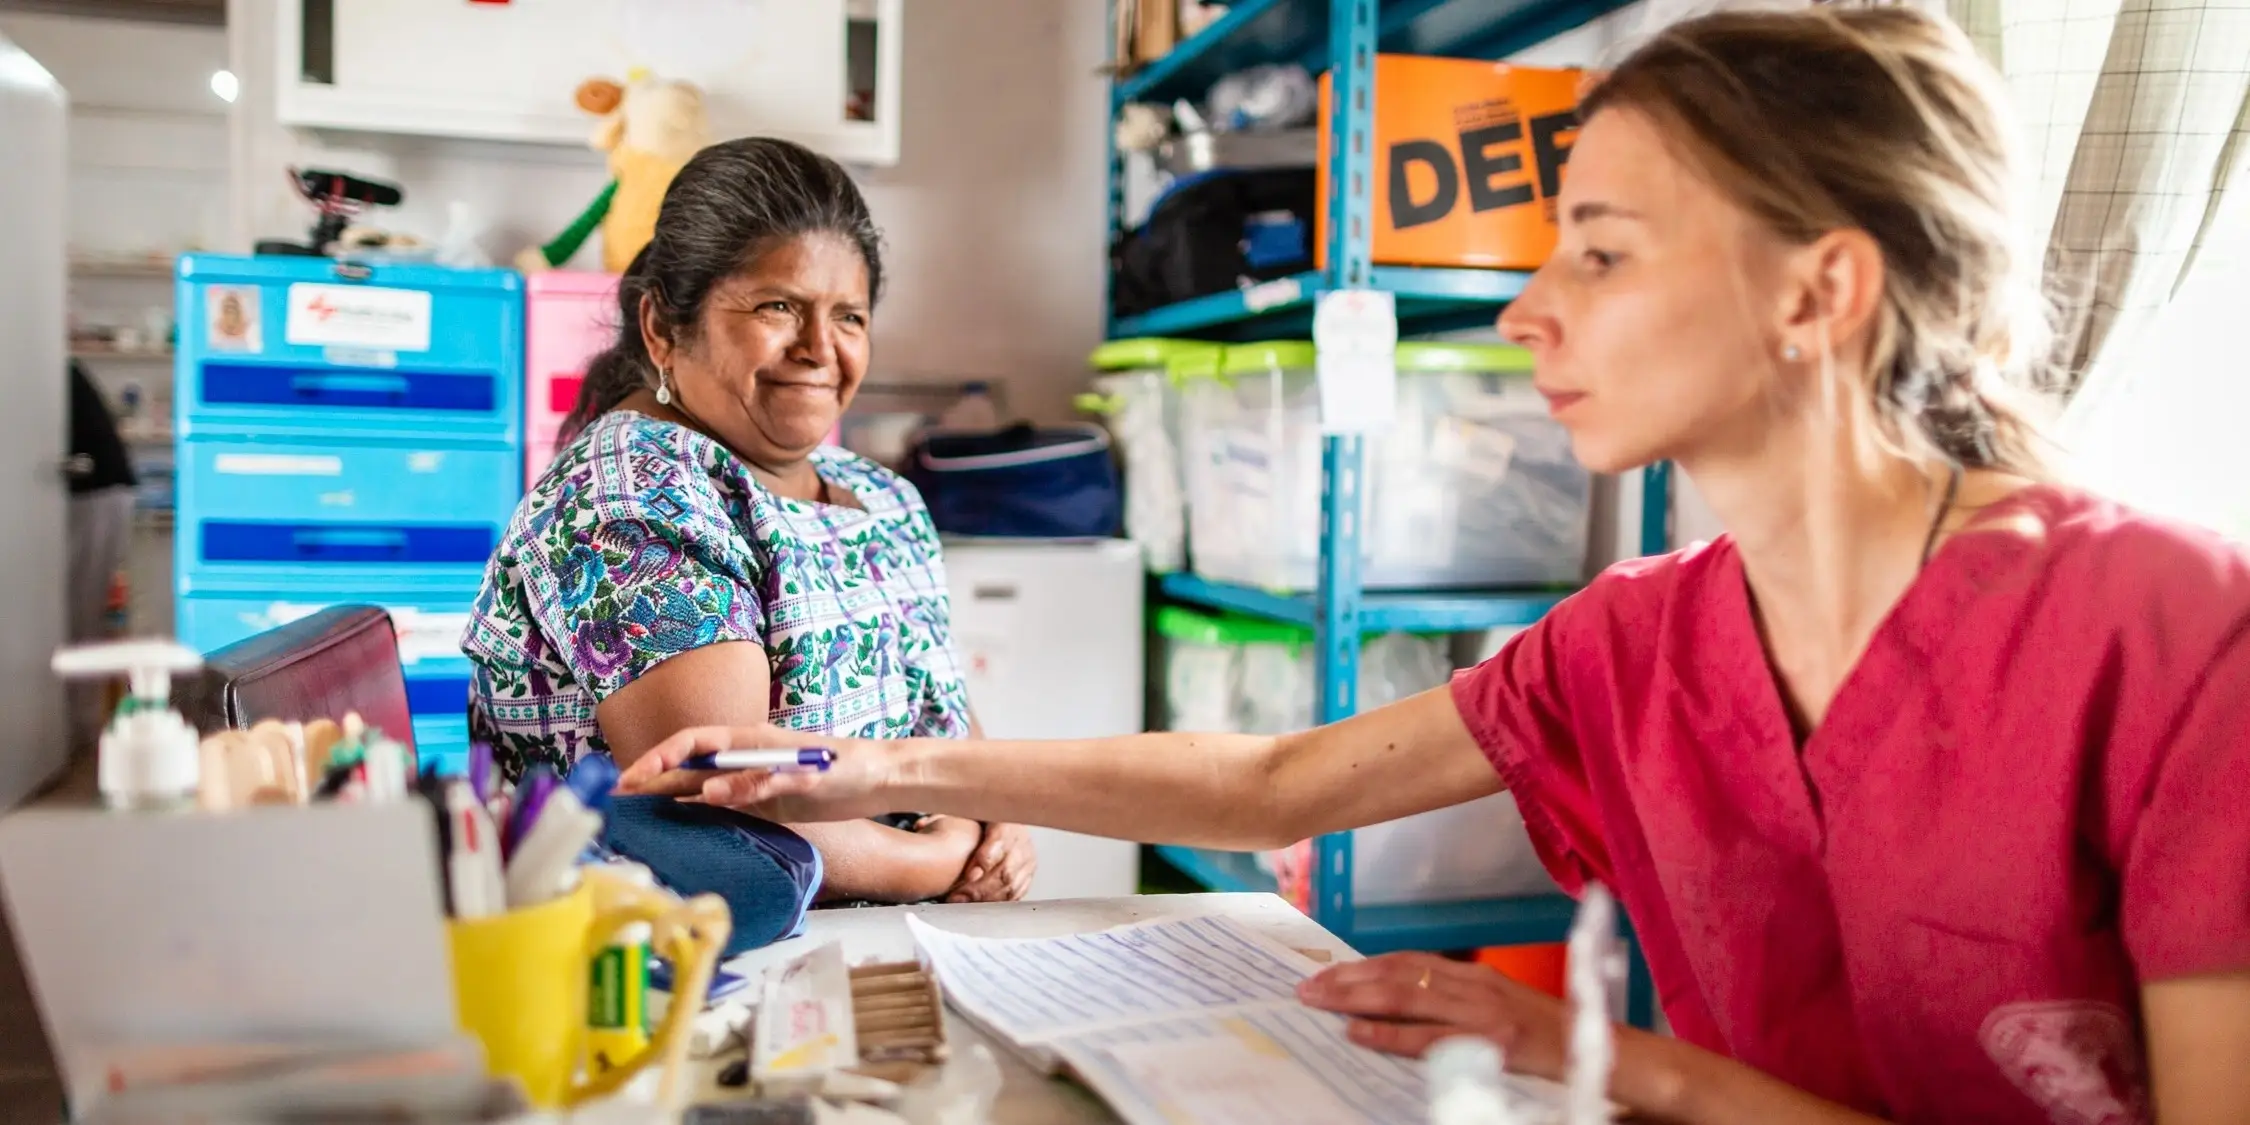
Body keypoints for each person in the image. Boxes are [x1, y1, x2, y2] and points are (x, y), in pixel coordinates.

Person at [620, 9, 2250, 1123]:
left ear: (1817, 292)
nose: (1532, 310)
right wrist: (860, 767)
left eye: (1601, 251)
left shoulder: (2168, 639)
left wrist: (1618, 1065)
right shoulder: (1648, 640)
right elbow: (1271, 782)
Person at [465, 137, 1033, 907]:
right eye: (778, 307)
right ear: (664, 328)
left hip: (889, 932)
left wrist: (996, 818)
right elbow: (731, 809)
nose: (820, 349)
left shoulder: (882, 496)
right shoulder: (631, 499)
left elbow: (940, 707)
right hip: (669, 956)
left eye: (850, 317)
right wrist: (940, 864)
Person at [64, 361, 137, 752]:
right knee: (81, 613)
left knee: (80, 614)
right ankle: (79, 730)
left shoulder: (33, 362)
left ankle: (81, 733)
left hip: (95, 493)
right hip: (96, 490)